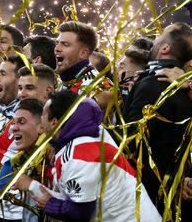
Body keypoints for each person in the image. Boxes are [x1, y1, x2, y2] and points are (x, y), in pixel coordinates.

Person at [19, 90, 161, 221]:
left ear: (54, 122)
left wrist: (49, 204)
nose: (41, 120)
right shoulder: (94, 131)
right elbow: (74, 198)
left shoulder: (77, 157)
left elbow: (80, 212)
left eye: (43, 115)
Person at [123, 22, 192, 211]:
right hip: (175, 194)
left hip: (146, 196)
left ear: (165, 48)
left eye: (160, 35)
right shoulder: (183, 87)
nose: (154, 39)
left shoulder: (153, 83)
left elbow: (129, 143)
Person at [0, 98, 45, 221]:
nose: (13, 128)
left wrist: (32, 185)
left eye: (21, 122)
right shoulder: (11, 165)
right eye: (14, 122)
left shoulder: (53, 160)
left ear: (41, 128)